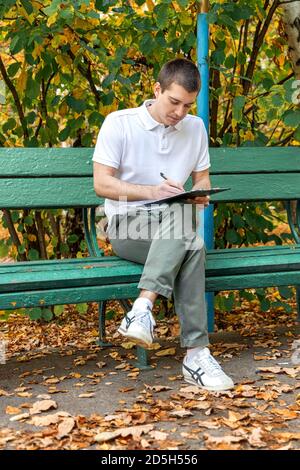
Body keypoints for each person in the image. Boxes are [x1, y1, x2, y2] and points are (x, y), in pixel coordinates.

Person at [93, 58, 234, 391]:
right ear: (157, 90)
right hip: (127, 225)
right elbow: (102, 184)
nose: (180, 112)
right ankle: (196, 355)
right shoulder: (119, 123)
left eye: (188, 105)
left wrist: (200, 194)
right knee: (189, 238)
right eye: (174, 102)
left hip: (173, 226)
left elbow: (201, 179)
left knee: (189, 232)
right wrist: (153, 192)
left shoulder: (195, 128)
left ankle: (143, 308)